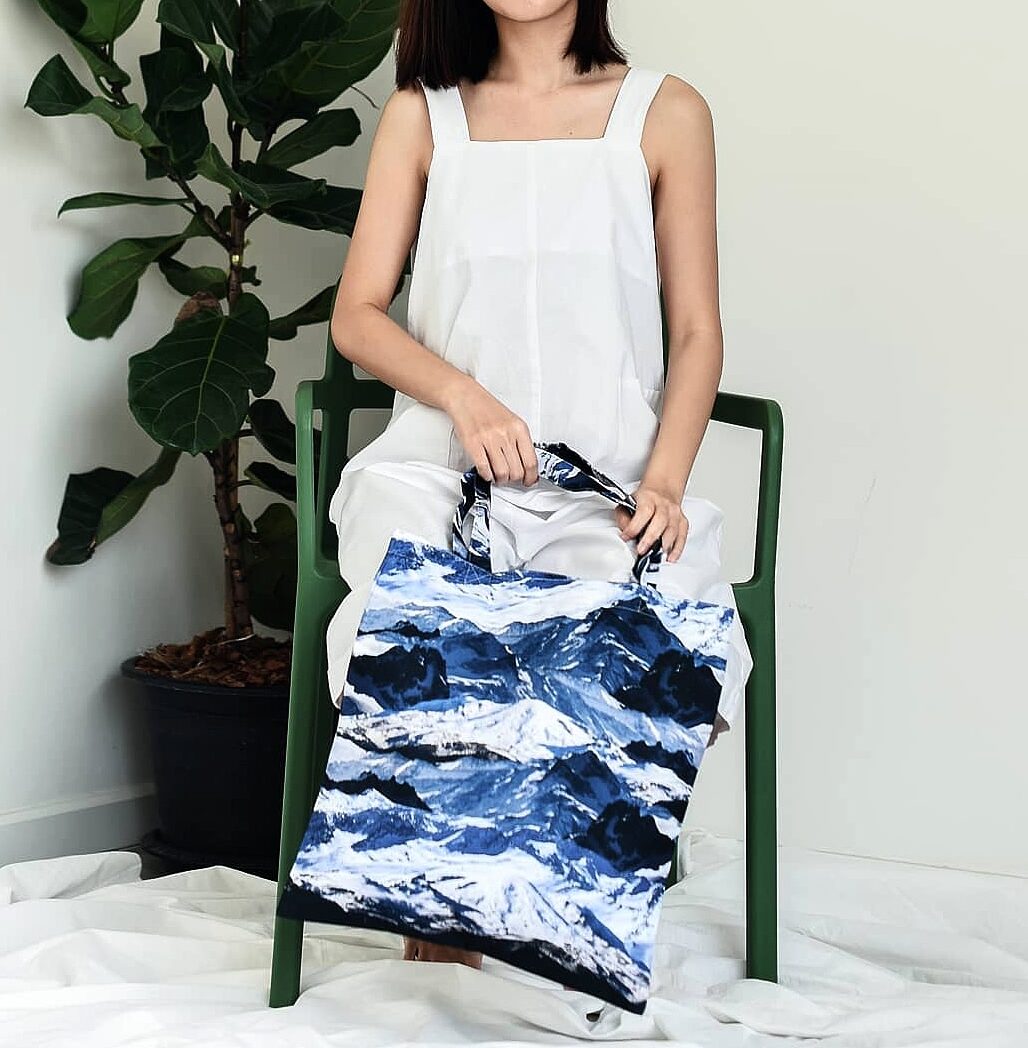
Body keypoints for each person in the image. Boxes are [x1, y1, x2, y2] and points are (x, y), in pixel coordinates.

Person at [322, 0, 753, 970]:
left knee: (642, 620)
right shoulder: (422, 115)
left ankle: (550, 909)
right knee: (418, 609)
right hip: (438, 469)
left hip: (604, 481)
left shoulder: (665, 112)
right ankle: (446, 927)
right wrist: (463, 398)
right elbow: (357, 314)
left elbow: (696, 330)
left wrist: (665, 481)